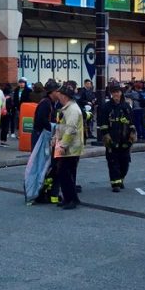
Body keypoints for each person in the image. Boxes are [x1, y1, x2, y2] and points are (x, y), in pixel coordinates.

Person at [51, 81, 84, 210]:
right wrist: (56, 138)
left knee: (65, 174)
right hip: (68, 146)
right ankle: (70, 198)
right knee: (65, 173)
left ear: (64, 96)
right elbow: (62, 127)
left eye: (59, 94)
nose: (58, 95)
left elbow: (71, 129)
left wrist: (62, 145)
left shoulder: (72, 110)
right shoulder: (68, 108)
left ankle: (70, 199)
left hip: (70, 148)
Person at [98, 81, 135, 192]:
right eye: (114, 92)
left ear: (121, 93)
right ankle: (115, 184)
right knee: (113, 162)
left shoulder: (126, 107)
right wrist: (106, 137)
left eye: (117, 92)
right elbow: (103, 124)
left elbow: (131, 123)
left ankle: (120, 179)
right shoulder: (106, 107)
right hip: (112, 140)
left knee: (125, 163)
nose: (116, 94)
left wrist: (132, 135)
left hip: (125, 140)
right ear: (111, 93)